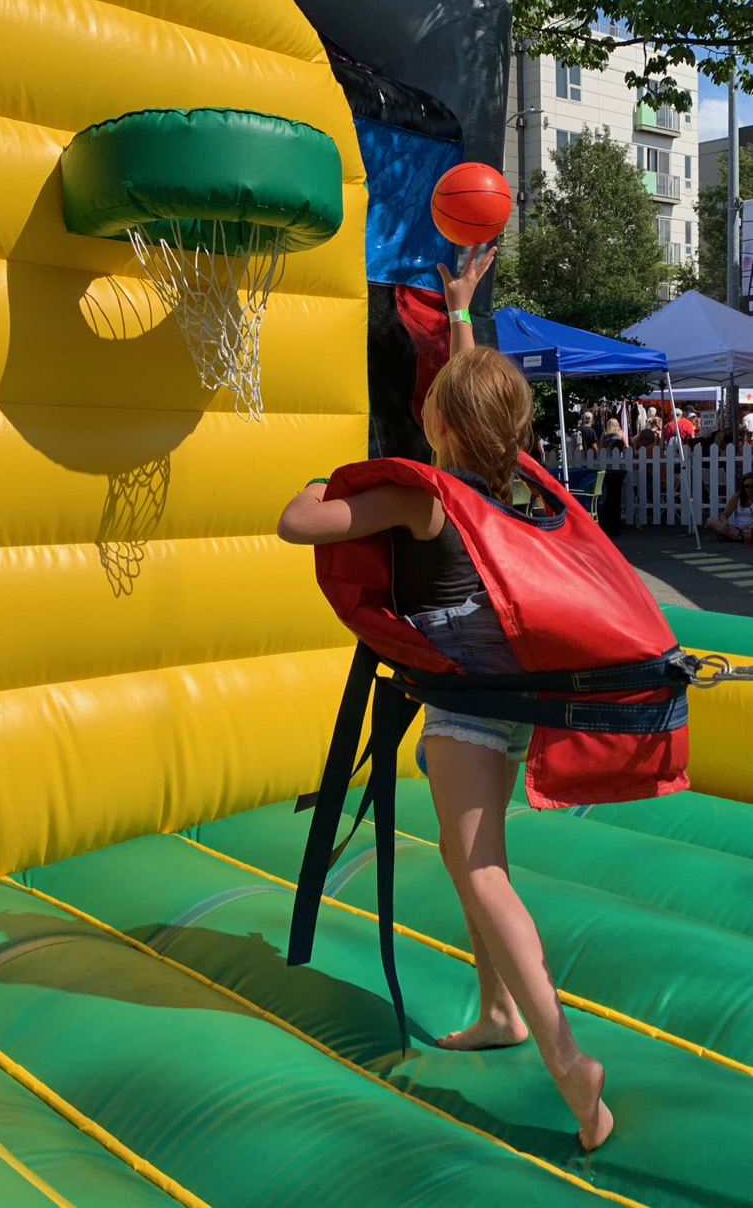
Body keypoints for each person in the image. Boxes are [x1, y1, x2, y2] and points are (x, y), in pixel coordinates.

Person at [277, 245, 613, 1152]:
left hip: (466, 708)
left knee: (481, 871)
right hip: (511, 703)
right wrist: (462, 310)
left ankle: (571, 1065)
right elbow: (474, 394)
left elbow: (297, 521)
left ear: (438, 423)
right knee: (473, 860)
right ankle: (500, 1008)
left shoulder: (421, 499)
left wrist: (328, 481)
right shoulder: (514, 480)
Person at [706, 473, 753, 545]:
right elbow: (724, 514)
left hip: (750, 528)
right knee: (710, 521)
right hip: (735, 528)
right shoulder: (737, 497)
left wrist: (744, 529)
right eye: (746, 486)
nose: (749, 489)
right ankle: (737, 536)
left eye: (752, 486)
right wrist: (725, 523)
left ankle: (733, 535)